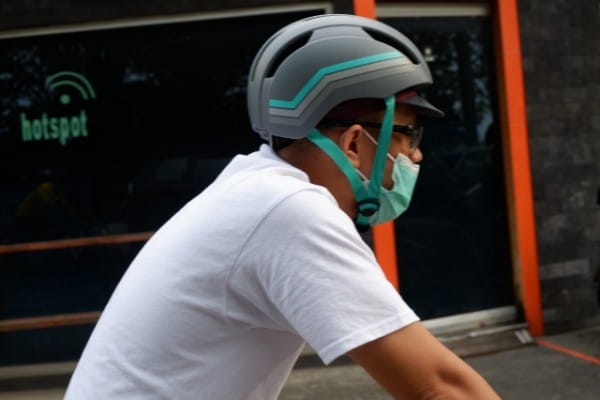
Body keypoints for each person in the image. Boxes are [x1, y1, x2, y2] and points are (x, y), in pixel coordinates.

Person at [65, 14, 500, 399]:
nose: (416, 155)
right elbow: (440, 388)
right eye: (409, 134)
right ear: (353, 143)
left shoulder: (255, 189)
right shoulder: (289, 210)